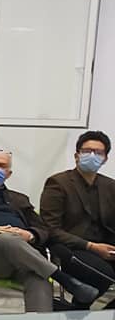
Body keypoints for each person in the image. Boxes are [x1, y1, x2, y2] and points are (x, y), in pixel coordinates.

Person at [0, 149, 97, 312]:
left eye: (2, 166)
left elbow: (45, 229)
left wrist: (30, 235)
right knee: (6, 239)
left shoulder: (19, 199)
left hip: (25, 257)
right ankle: (65, 279)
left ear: (8, 174)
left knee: (38, 274)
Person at [40, 130, 115, 304]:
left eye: (98, 153)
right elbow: (50, 228)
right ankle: (78, 309)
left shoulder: (110, 186)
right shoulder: (58, 183)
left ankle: (92, 313)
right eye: (87, 151)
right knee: (105, 275)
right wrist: (92, 247)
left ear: (105, 159)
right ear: (77, 155)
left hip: (106, 247)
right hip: (71, 247)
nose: (92, 156)